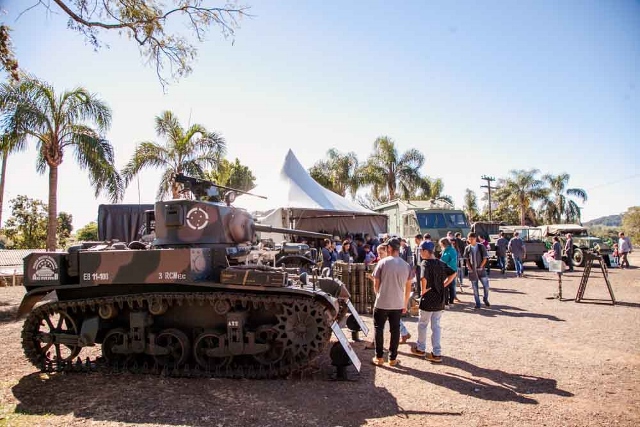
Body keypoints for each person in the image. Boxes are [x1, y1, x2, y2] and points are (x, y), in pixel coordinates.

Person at [410, 240, 457, 363]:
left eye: (421, 251)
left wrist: (423, 291)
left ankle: (420, 349)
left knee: (422, 324)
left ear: (426, 251)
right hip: (440, 299)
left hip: (428, 298)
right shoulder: (440, 263)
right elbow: (453, 273)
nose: (420, 253)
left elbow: (423, 278)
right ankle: (437, 353)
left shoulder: (425, 263)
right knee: (436, 326)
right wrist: (444, 285)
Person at [371, 238, 414, 367]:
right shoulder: (406, 265)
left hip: (382, 302)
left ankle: (379, 357)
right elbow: (408, 288)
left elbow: (376, 283)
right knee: (395, 331)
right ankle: (392, 358)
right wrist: (405, 303)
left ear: (389, 248)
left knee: (379, 329)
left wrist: (379, 294)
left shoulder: (382, 262)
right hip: (398, 303)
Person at [463, 232, 490, 309]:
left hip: (481, 270)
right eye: (469, 239)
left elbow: (485, 258)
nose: (470, 240)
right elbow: (466, 259)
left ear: (475, 239)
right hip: (472, 271)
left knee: (486, 286)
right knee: (475, 288)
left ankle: (485, 298)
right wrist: (469, 267)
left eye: (472, 239)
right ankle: (478, 303)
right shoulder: (467, 248)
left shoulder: (481, 247)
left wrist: (481, 266)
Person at [439, 238, 458, 305]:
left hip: (451, 270)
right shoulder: (444, 250)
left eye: (441, 244)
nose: (440, 245)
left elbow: (453, 260)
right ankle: (446, 302)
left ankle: (451, 301)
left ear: (444, 243)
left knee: (451, 286)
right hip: (445, 269)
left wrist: (445, 265)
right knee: (445, 286)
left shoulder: (451, 250)